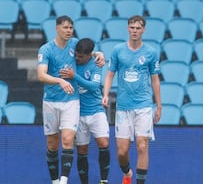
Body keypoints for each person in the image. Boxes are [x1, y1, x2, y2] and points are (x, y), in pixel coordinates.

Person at [37, 15, 104, 184]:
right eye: (65, 27)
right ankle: (54, 180)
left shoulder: (75, 44)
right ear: (57, 28)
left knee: (67, 140)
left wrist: (100, 54)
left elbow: (88, 52)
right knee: (52, 144)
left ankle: (64, 180)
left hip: (71, 101)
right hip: (51, 101)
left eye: (71, 28)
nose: (69, 31)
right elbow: (41, 75)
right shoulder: (46, 49)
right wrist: (60, 80)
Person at [102, 15, 162, 184]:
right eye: (132, 27)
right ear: (128, 29)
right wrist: (105, 94)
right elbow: (109, 74)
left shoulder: (150, 52)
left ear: (143, 30)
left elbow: (155, 79)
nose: (135, 31)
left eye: (138, 28)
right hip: (123, 107)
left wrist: (159, 105)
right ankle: (127, 173)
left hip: (143, 105)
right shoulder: (118, 50)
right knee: (122, 151)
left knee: (142, 146)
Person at [60, 38, 110, 184]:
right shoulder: (73, 62)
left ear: (89, 55)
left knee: (104, 143)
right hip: (77, 113)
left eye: (81, 56)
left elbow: (94, 87)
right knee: (82, 151)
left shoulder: (96, 63)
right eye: (76, 55)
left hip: (96, 111)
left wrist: (74, 76)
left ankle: (103, 180)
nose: (77, 58)